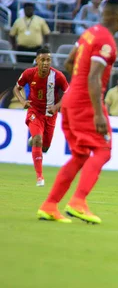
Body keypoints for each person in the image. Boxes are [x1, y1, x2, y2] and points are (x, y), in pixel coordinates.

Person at [37, 0, 118, 224]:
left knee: (80, 155)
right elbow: (94, 77)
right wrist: (98, 113)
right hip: (87, 102)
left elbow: (69, 62)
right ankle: (78, 201)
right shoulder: (107, 41)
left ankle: (49, 205)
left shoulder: (90, 33)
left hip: (71, 99)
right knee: (103, 150)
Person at [13, 47, 69, 186]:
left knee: (45, 147)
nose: (45, 63)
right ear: (37, 60)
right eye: (42, 60)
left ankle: (35, 139)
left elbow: (68, 94)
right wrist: (22, 101)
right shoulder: (29, 73)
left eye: (48, 60)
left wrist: (56, 107)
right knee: (38, 139)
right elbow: (17, 88)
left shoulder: (58, 76)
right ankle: (40, 177)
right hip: (34, 111)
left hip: (50, 114)